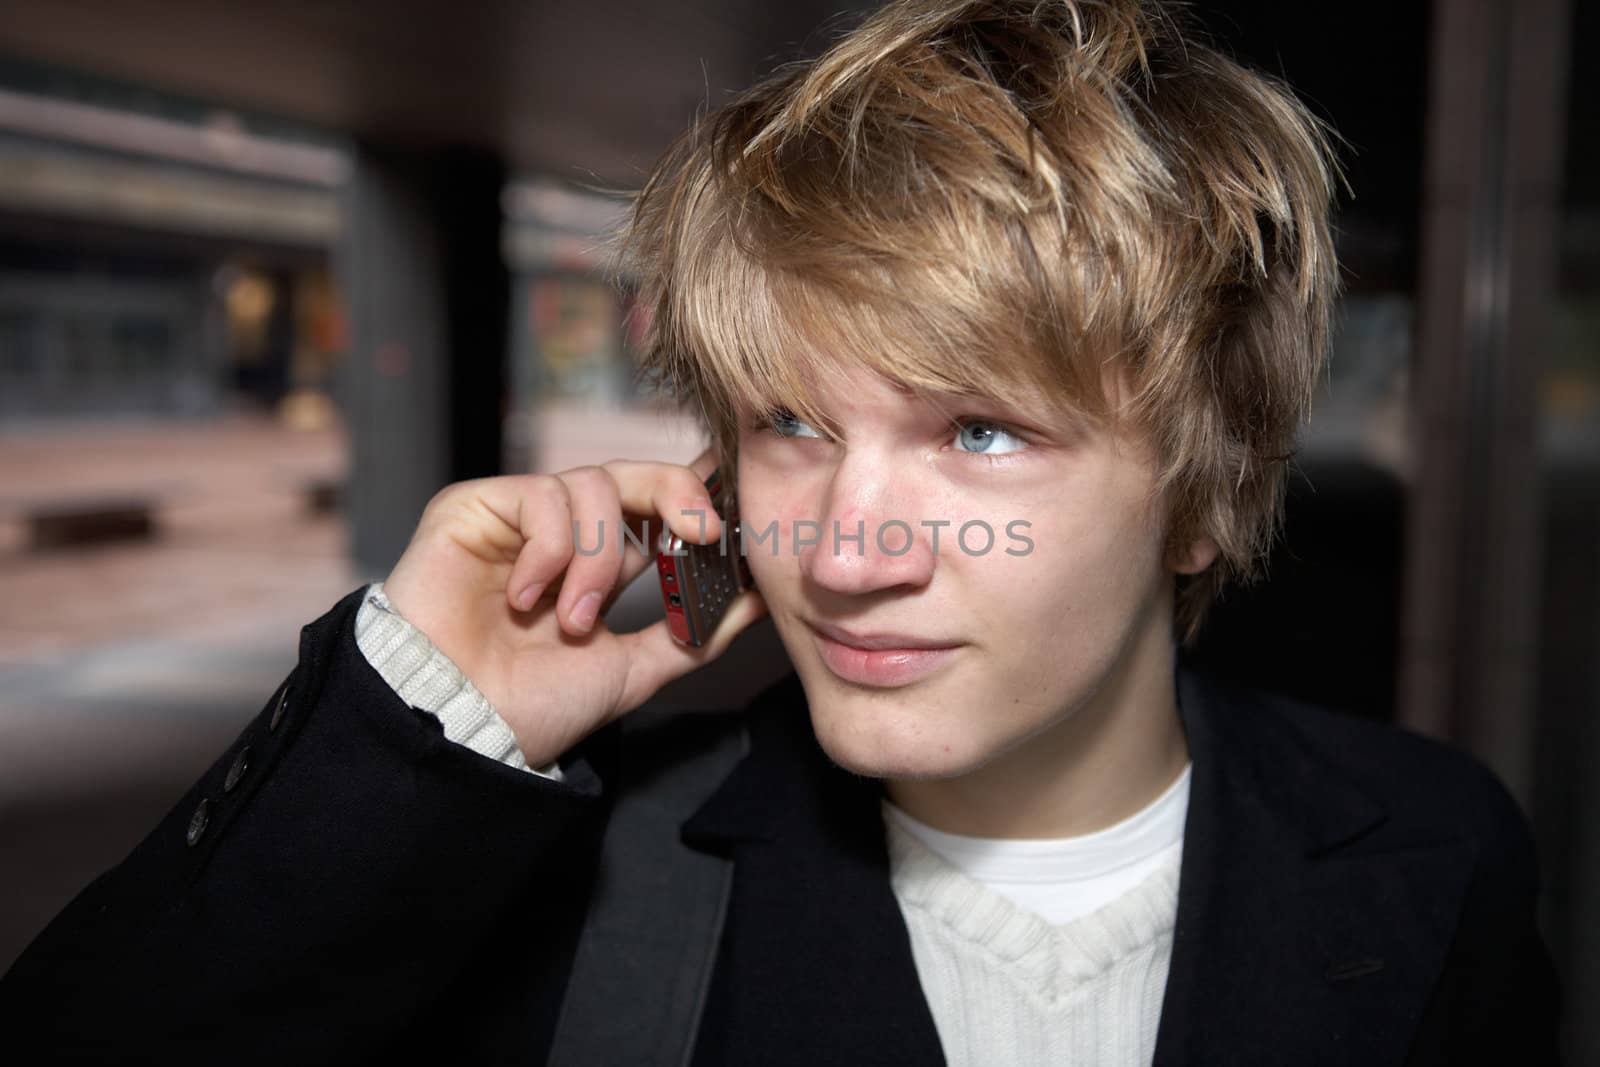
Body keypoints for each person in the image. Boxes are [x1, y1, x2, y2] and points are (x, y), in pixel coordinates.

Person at [0, 0, 1560, 1063]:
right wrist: (418, 718)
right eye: (793, 424)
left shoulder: (1428, 849)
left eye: (982, 432)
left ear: (1200, 498)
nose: (841, 547)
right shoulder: (593, 872)